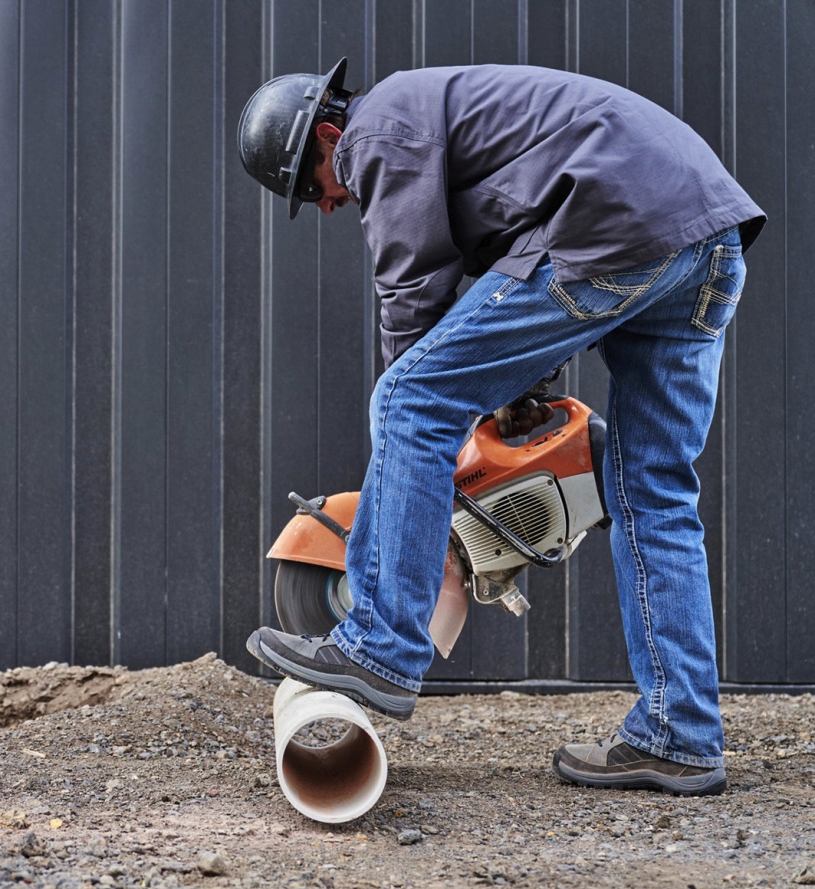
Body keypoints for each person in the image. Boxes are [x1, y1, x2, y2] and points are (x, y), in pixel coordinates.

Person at [238, 60, 765, 796]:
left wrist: (430, 406)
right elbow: (513, 284)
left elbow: (413, 288)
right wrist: (506, 393)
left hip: (615, 221)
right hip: (708, 237)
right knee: (654, 490)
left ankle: (379, 645)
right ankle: (680, 736)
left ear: (329, 134)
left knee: (408, 400)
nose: (325, 204)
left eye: (308, 186)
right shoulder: (454, 122)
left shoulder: (378, 126)